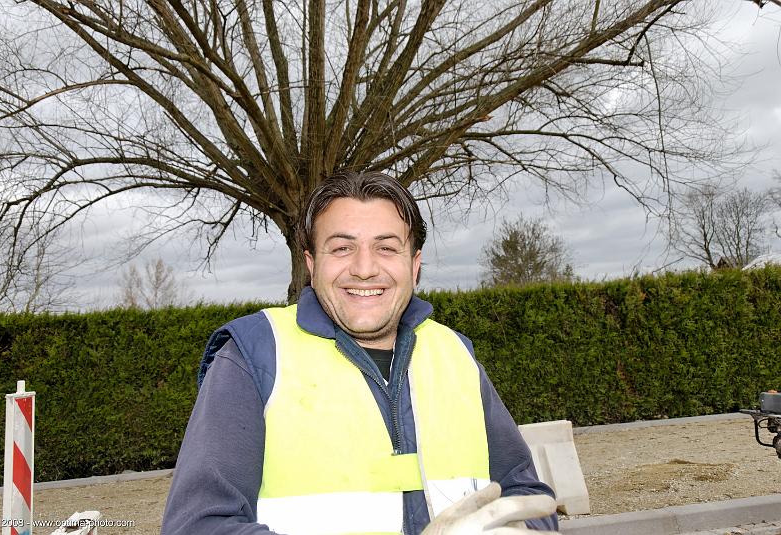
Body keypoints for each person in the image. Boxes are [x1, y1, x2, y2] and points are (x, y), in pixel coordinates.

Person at [161, 171, 560, 535]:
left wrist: (525, 528)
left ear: (414, 264)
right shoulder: (254, 355)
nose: (365, 268)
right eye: (342, 248)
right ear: (311, 264)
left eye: (386, 248)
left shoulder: (454, 353)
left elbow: (526, 492)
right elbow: (198, 526)